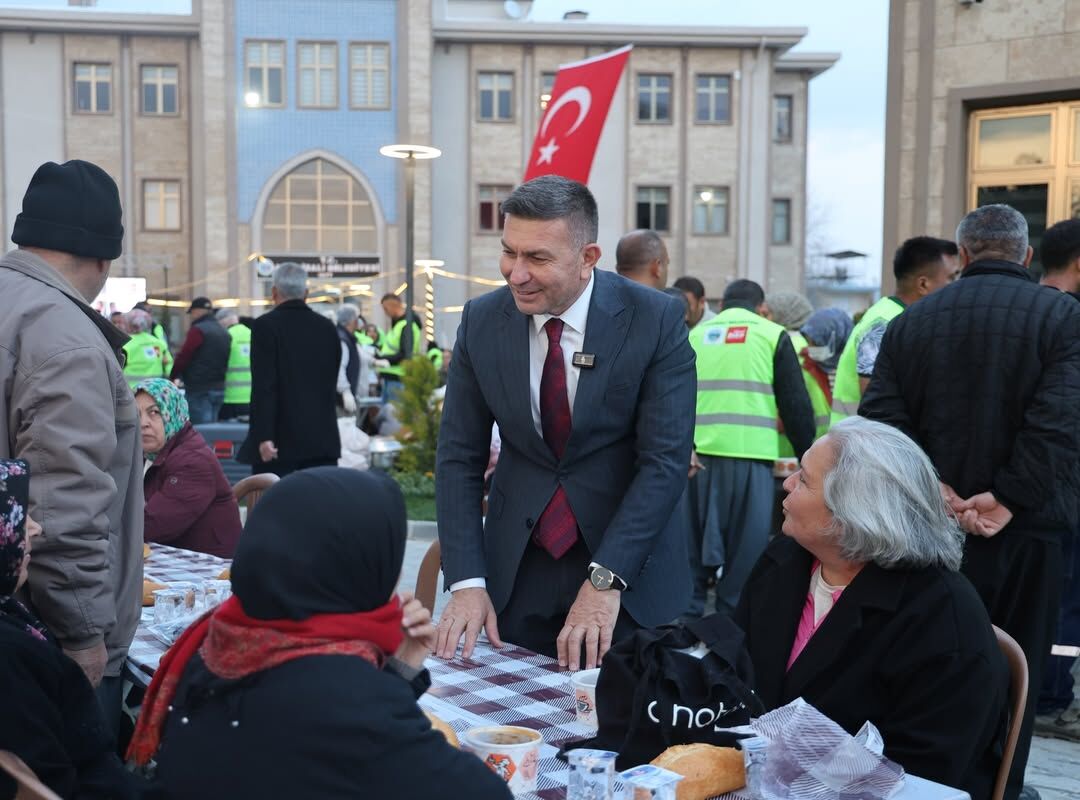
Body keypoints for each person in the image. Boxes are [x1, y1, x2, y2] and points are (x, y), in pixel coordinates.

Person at [861, 204, 1080, 800]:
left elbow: (882, 421)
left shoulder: (912, 320)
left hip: (931, 530)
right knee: (1020, 668)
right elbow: (1061, 421)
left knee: (935, 661)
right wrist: (1008, 498)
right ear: (1025, 255)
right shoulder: (1063, 316)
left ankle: (933, 783)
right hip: (1029, 531)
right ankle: (1003, 785)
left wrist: (935, 489)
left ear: (961, 255)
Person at [434, 175, 695, 670]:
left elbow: (664, 462)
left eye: (537, 258)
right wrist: (467, 581)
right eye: (509, 252)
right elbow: (457, 459)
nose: (516, 274)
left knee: (620, 714)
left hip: (627, 574)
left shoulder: (654, 319)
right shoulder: (482, 321)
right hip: (517, 573)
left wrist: (606, 579)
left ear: (588, 257)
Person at [133, 468, 511, 800]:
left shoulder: (215, 643)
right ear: (361, 568)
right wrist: (389, 686)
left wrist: (399, 670)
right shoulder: (343, 701)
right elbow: (482, 791)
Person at [735, 417, 1008, 800]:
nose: (788, 483)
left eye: (805, 479)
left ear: (852, 513)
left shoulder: (943, 621)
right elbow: (734, 675)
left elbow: (923, 774)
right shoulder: (784, 562)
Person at [0, 159, 143, 739]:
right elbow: (65, 505)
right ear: (104, 258)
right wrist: (83, 634)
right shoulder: (66, 338)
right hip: (40, 639)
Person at [0, 460, 142, 799]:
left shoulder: (12, 620)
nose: (34, 528)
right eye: (17, 514)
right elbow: (55, 780)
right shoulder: (10, 658)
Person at [685, 279, 814, 618]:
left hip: (695, 462)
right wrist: (809, 459)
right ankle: (729, 632)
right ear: (761, 308)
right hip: (750, 462)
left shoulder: (696, 335)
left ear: (723, 305)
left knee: (691, 554)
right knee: (744, 560)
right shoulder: (771, 334)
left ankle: (684, 631)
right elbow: (795, 405)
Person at [1033, 218, 1080, 740]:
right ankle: (1050, 696)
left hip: (1016, 495)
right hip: (1064, 489)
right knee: (1066, 602)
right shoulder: (1070, 320)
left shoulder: (1025, 315)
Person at [831, 236, 958, 423]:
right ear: (923, 284)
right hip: (860, 438)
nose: (957, 285)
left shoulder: (898, 317)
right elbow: (874, 399)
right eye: (951, 278)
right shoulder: (885, 323)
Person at [239, 262, 341, 478]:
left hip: (280, 442)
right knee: (320, 497)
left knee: (278, 498)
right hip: (321, 437)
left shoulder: (265, 326)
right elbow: (331, 378)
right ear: (306, 293)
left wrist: (264, 436)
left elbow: (264, 385)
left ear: (274, 292)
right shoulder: (327, 327)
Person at [135, 379, 242, 559]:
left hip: (213, 567)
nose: (143, 423)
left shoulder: (193, 461)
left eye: (154, 412)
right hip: (170, 558)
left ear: (174, 413)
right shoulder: (148, 453)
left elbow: (152, 525)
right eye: (136, 414)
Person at [767, 293, 829, 454]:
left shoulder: (782, 344)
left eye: (768, 313)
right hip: (817, 433)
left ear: (782, 314)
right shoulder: (808, 344)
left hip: (787, 441)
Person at [169, 296, 230, 424]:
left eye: (191, 313)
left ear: (197, 311)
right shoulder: (223, 331)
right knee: (213, 429)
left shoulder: (198, 330)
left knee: (201, 430)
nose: (191, 316)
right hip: (218, 387)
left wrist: (173, 375)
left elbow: (184, 356)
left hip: (199, 389)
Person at [378, 293, 423, 404]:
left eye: (385, 308)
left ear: (393, 306)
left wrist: (382, 359)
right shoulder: (399, 325)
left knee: (393, 413)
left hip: (399, 377)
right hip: (393, 376)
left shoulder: (406, 326)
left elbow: (405, 354)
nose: (385, 313)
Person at [215, 309, 252, 421]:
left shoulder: (225, 335)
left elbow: (218, 362)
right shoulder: (250, 333)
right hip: (250, 395)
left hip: (229, 396)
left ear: (224, 320)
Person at [122, 308, 172, 389]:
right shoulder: (159, 343)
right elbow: (168, 364)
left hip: (132, 391)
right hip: (155, 389)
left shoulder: (125, 345)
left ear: (128, 324)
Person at [335, 304, 362, 416]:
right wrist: (345, 391)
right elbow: (339, 367)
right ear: (352, 320)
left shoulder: (347, 337)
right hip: (340, 400)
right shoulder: (343, 339)